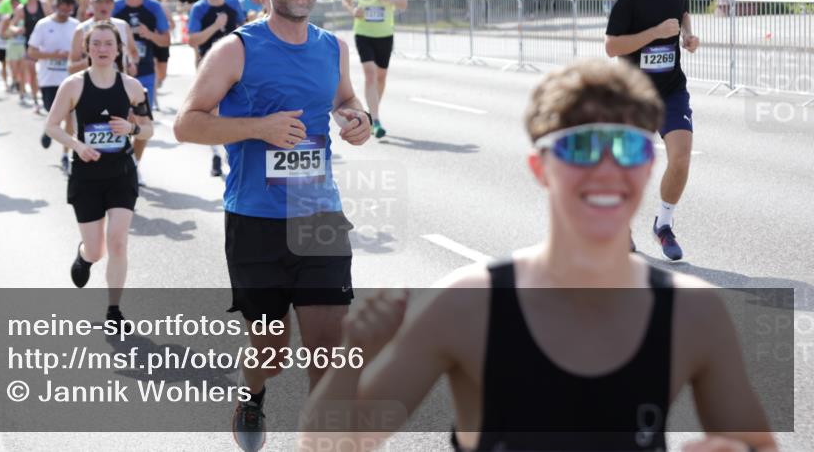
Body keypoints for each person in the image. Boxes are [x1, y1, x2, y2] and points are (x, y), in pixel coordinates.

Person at [300, 59, 777, 452]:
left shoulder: (691, 312)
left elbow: (756, 445)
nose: (607, 170)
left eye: (628, 149)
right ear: (540, 167)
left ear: (648, 164)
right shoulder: (469, 304)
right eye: (580, 150)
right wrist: (352, 357)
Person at [174, 0, 371, 452]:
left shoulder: (333, 47)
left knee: (328, 348)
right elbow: (186, 125)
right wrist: (258, 127)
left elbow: (346, 98)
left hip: (318, 212)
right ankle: (253, 394)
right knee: (273, 349)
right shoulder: (236, 48)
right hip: (256, 220)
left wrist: (359, 118)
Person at [45, 20, 153, 324]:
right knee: (97, 250)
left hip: (121, 173)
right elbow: (51, 126)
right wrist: (77, 146)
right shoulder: (74, 85)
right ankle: (84, 255)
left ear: (119, 49)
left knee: (118, 241)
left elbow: (149, 130)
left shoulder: (132, 86)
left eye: (109, 44)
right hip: (87, 176)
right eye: (96, 44)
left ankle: (114, 309)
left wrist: (132, 127)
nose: (102, 49)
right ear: (87, 49)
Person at [606, 0, 699, 260]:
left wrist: (688, 35)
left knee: (681, 158)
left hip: (672, 90)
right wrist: (655, 34)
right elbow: (612, 46)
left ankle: (664, 224)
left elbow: (683, 11)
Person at [341, 0, 407, 139]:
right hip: (363, 32)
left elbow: (403, 4)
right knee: (370, 74)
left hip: (385, 33)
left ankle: (374, 108)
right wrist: (354, 10)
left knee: (381, 76)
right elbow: (346, 0)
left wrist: (391, 0)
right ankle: (375, 119)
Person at [111, 0, 170, 186]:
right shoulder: (115, 8)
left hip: (145, 73)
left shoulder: (153, 8)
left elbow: (165, 40)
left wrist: (149, 35)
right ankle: (118, 164)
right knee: (120, 121)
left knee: (142, 122)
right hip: (116, 76)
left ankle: (134, 165)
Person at [186, 0, 246, 177]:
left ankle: (232, 153)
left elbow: (243, 29)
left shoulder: (233, 4)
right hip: (208, 66)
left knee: (233, 109)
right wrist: (215, 26)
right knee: (211, 112)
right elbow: (192, 40)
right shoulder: (199, 8)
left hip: (234, 65)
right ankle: (216, 155)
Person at [29, 0, 80, 171]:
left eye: (69, 6)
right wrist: (53, 55)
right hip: (48, 79)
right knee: (53, 113)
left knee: (70, 117)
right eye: (63, 5)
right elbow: (32, 52)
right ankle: (49, 126)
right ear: (56, 6)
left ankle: (65, 155)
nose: (66, 9)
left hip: (71, 81)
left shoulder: (77, 26)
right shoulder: (43, 25)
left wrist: (72, 59)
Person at [145, 0, 175, 103]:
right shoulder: (144, 7)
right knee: (152, 65)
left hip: (162, 41)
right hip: (149, 41)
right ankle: (154, 96)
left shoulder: (162, 8)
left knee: (162, 74)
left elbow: (172, 24)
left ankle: (156, 85)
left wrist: (163, 29)